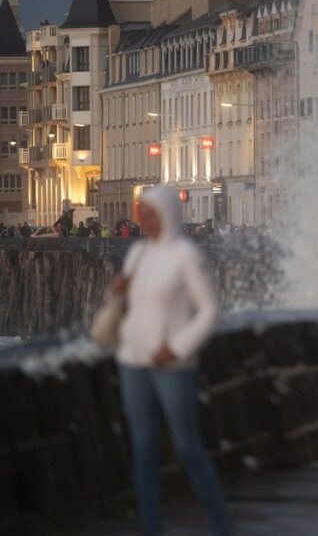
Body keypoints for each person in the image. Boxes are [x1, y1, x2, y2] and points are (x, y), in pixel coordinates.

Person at [108, 186, 229, 536]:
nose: (141, 219)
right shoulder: (138, 254)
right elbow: (125, 304)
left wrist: (177, 347)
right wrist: (117, 290)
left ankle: (219, 523)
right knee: (143, 450)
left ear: (165, 215)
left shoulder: (184, 255)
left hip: (170, 364)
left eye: (147, 213)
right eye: (140, 212)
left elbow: (209, 311)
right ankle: (150, 527)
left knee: (187, 446)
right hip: (133, 360)